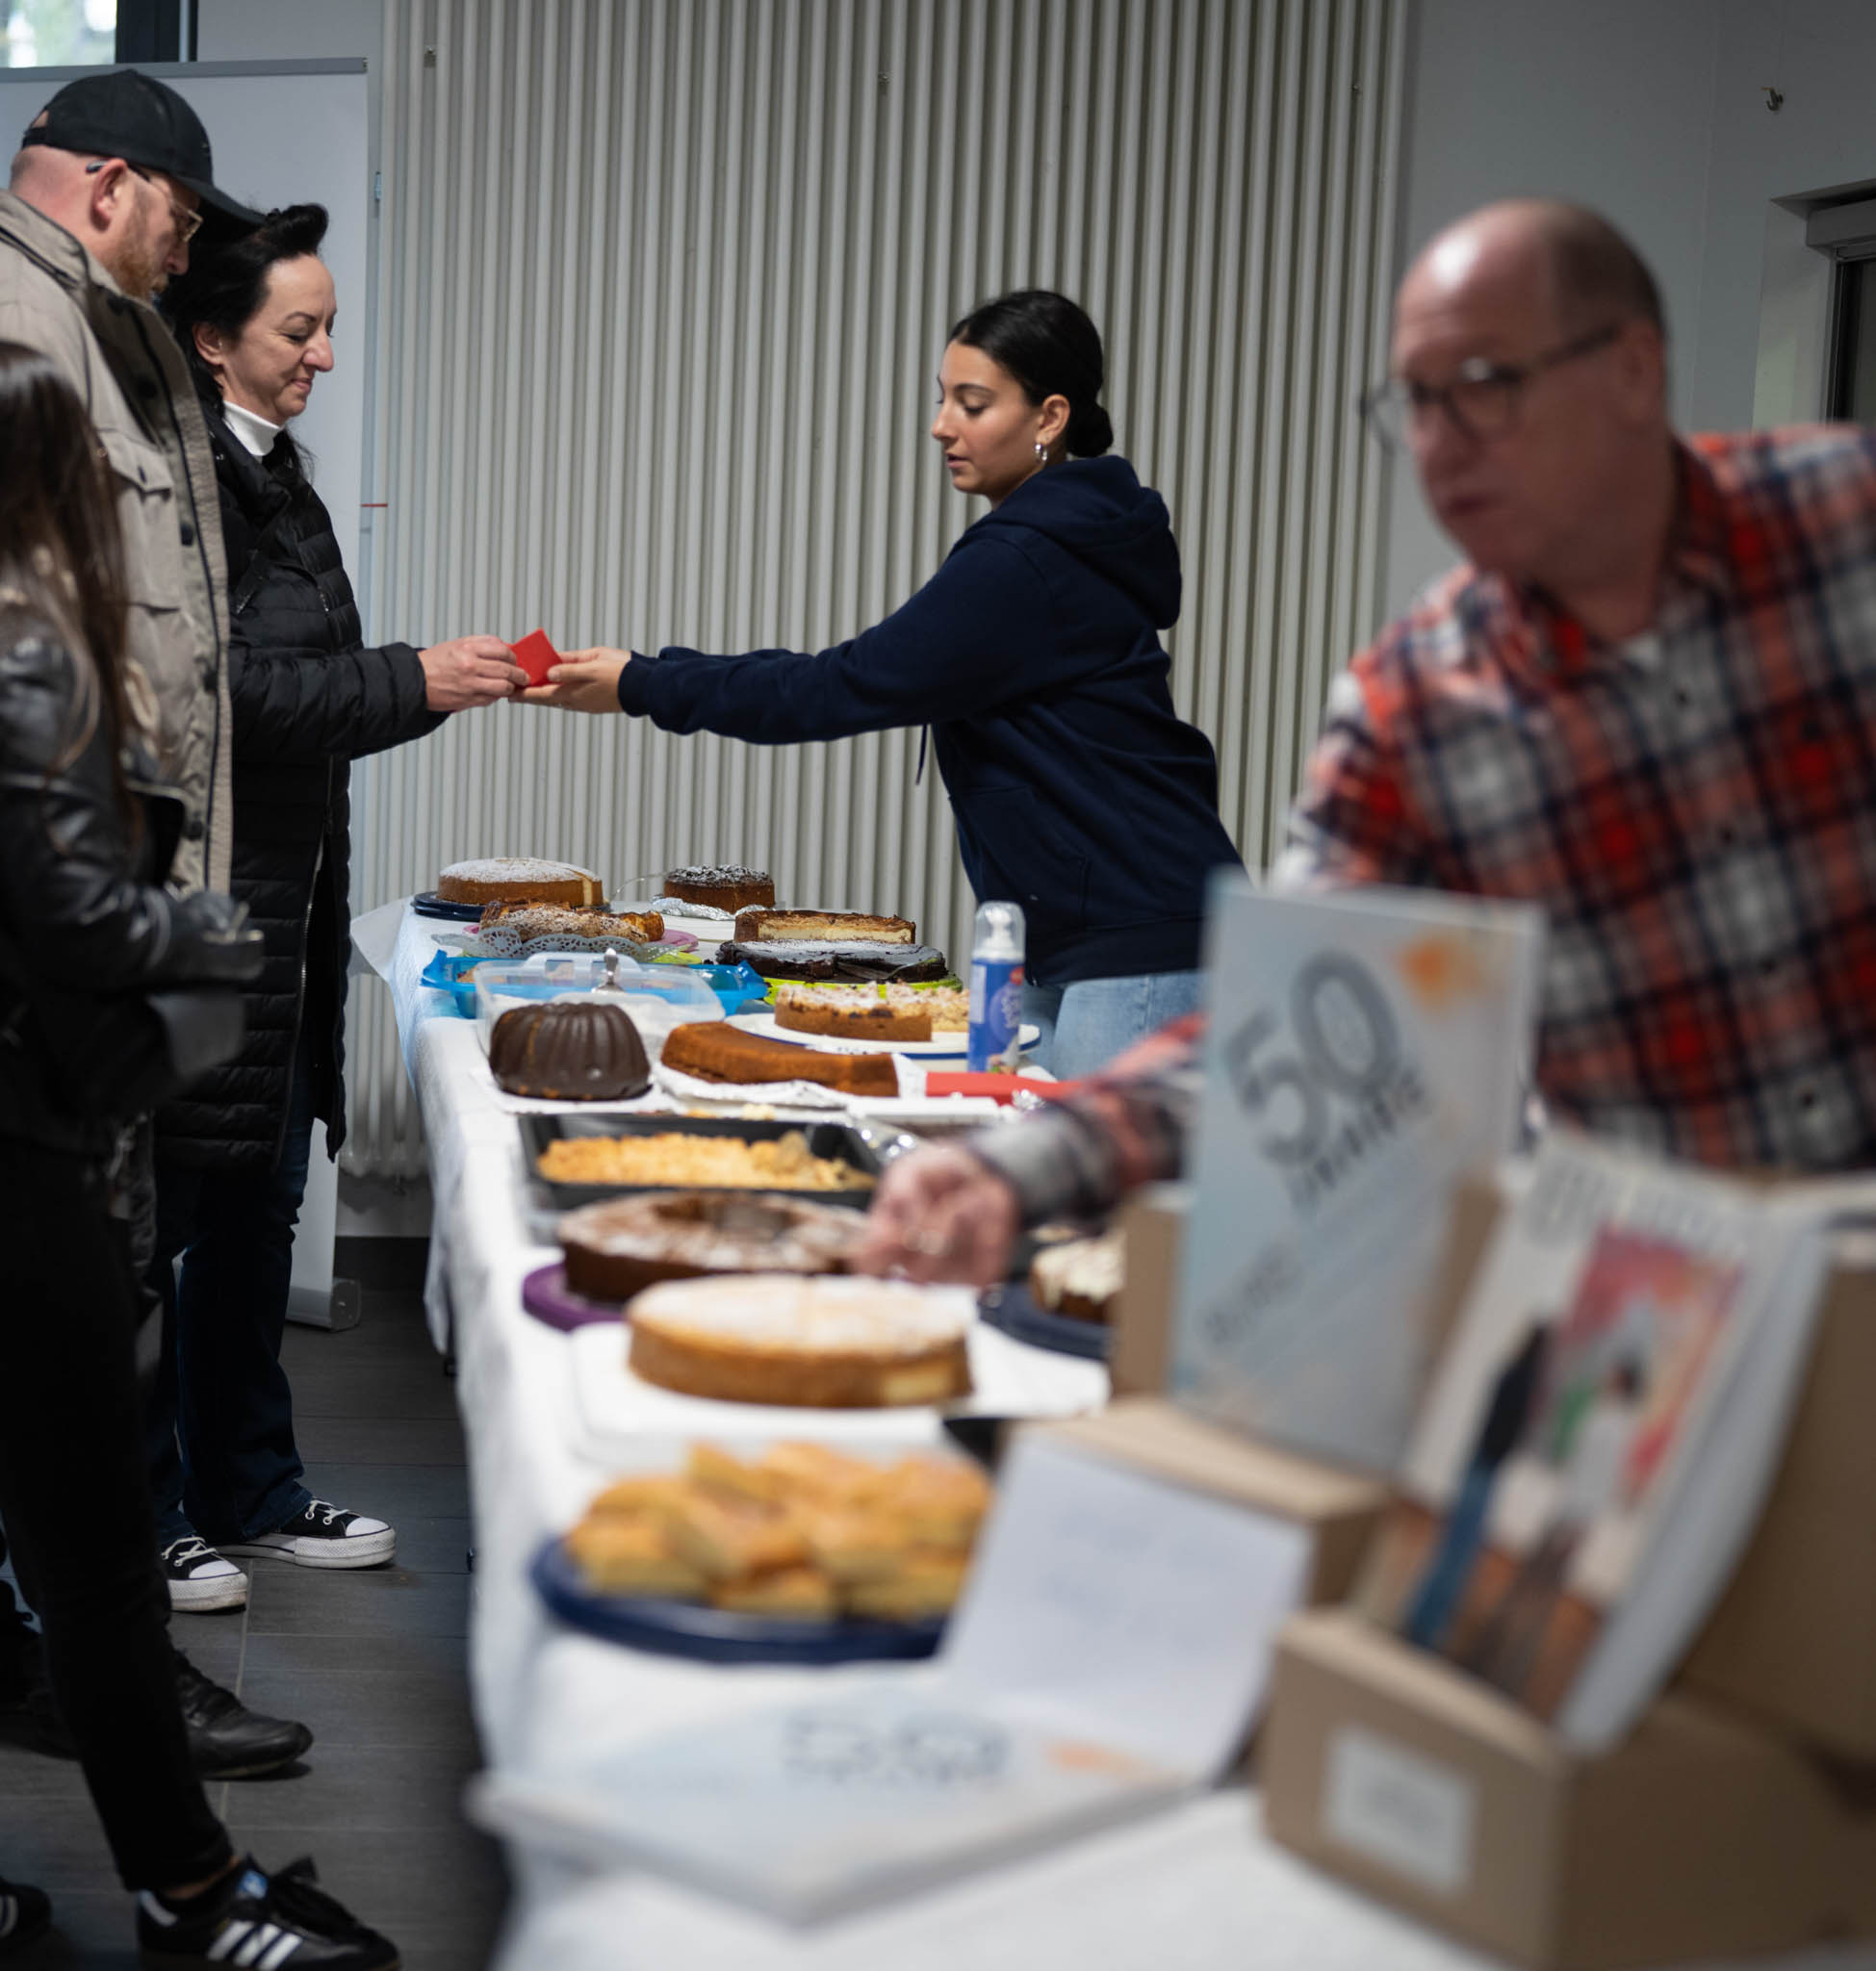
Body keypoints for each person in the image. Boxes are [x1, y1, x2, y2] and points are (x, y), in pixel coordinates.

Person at [857, 198, 1876, 1279]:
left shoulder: (1837, 528)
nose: (1436, 446)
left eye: (1478, 390)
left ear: (1630, 369)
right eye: (1413, 403)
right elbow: (1292, 1030)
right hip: (1661, 1294)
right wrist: (1020, 1169)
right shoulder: (1413, 703)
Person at [0, 340, 397, 1969]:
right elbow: (75, 914)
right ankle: (193, 1899)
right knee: (97, 1564)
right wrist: (218, 927)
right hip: (30, 1156)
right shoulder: (27, 650)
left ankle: (188, 1887)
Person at [526, 289, 1244, 1077]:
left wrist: (644, 683)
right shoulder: (1054, 540)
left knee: (1091, 1197)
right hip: (1085, 938)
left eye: (972, 404)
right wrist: (649, 675)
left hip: (1139, 936)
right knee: (1020, 1171)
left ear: (1049, 418)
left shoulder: (1027, 560)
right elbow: (857, 671)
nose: (942, 425)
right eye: (943, 400)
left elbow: (841, 685)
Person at [0, 63, 317, 1774]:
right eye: (178, 221)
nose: (184, 254)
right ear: (112, 187)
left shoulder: (105, 328)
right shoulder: (16, 321)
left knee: (90, 1340)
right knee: (69, 1361)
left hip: (104, 917)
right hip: (46, 938)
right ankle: (99, 1692)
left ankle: (74, 1672)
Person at [146, 203, 526, 1608]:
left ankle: (249, 1487)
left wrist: (430, 684)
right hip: (206, 918)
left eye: (328, 331)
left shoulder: (281, 479)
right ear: (211, 340)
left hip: (286, 913)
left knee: (253, 1227)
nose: (320, 357)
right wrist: (411, 678)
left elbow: (317, 703)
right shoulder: (182, 493)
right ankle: (149, 1517)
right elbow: (230, 699)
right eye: (296, 333)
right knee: (166, 1240)